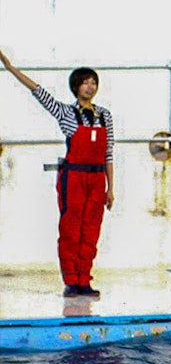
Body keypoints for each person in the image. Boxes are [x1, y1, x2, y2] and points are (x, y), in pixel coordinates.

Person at [1, 49, 114, 297]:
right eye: (85, 82)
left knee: (91, 229)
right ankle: (71, 280)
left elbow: (108, 153)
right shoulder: (66, 113)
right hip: (73, 176)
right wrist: (11, 68)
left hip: (97, 179)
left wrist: (111, 188)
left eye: (94, 82)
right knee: (71, 228)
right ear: (76, 87)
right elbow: (39, 92)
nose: (90, 87)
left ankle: (85, 279)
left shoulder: (105, 115)